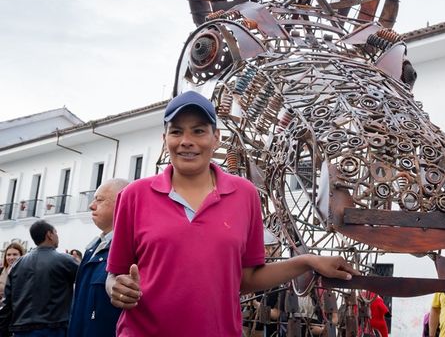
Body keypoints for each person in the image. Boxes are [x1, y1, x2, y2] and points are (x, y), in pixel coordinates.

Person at [105, 90, 358, 336]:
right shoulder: (135, 196)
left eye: (198, 131)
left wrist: (308, 261)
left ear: (216, 138)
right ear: (165, 139)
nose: (186, 141)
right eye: (176, 131)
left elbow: (246, 278)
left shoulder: (244, 195)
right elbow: (114, 274)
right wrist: (116, 288)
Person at [68, 178, 129, 337]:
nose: (91, 205)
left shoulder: (131, 250)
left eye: (99, 200)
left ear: (121, 202)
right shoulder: (92, 249)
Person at [1, 220, 78, 336]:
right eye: (56, 233)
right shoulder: (65, 261)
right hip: (53, 330)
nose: (57, 237)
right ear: (49, 235)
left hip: (20, 330)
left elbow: (7, 303)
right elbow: (86, 283)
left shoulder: (17, 265)